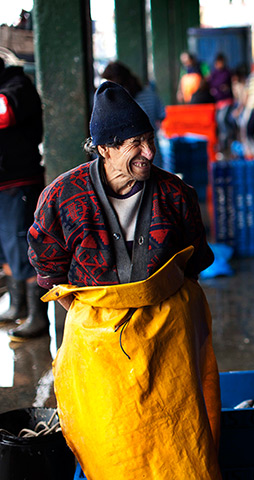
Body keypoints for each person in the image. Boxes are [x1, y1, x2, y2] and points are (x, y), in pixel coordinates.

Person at [27, 81, 221, 479]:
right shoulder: (62, 198)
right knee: (110, 446)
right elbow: (47, 266)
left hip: (168, 341)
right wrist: (89, 314)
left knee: (180, 442)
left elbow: (195, 260)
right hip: (97, 348)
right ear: (104, 148)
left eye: (150, 140)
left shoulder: (176, 194)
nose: (148, 153)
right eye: (135, 143)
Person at [0, 57, 49, 341]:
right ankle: (17, 305)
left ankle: (37, 317)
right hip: (3, 184)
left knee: (23, 247)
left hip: (19, 181)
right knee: (5, 248)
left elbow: (5, 112)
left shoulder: (18, 85)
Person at [208, 52, 236, 156]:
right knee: (219, 122)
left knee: (222, 119)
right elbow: (212, 84)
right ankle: (224, 143)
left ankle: (228, 140)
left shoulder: (228, 73)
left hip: (227, 101)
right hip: (218, 102)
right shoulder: (214, 73)